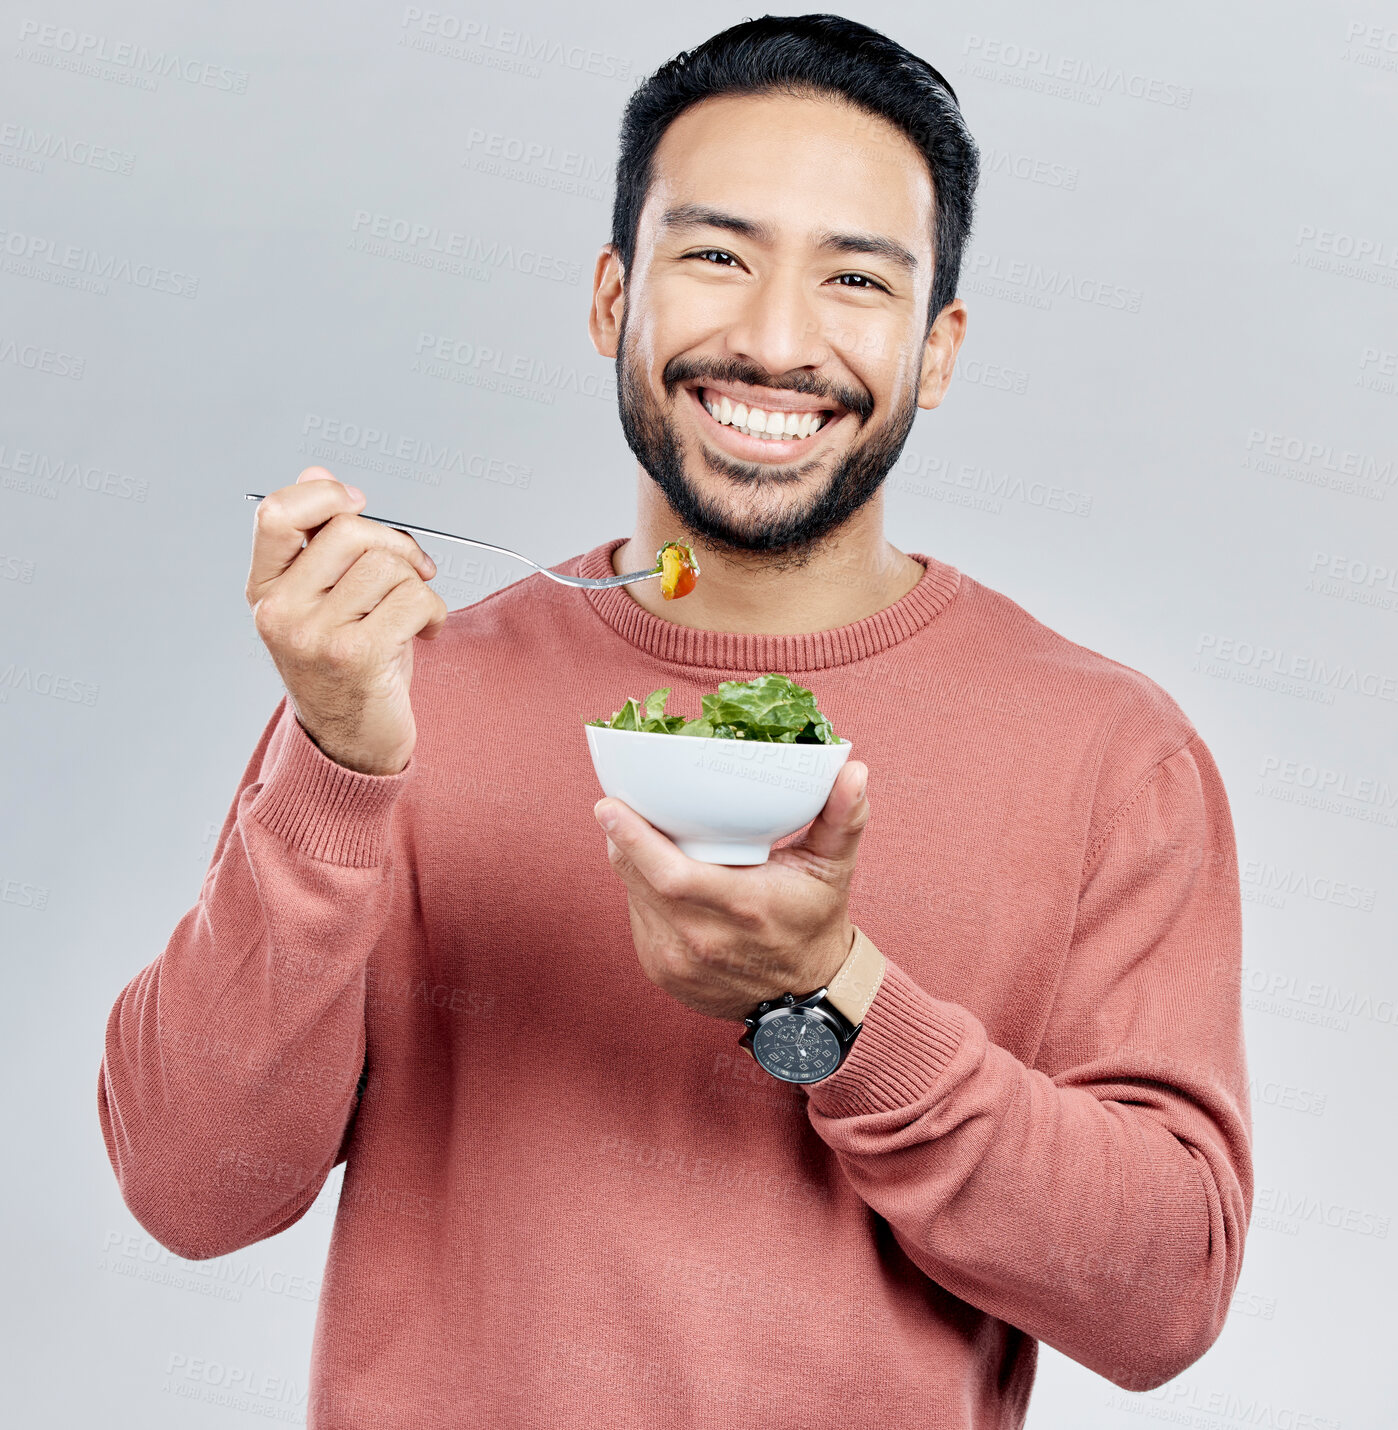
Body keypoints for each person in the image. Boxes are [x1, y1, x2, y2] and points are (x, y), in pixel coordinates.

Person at [98, 14, 1252, 1427]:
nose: (774, 341)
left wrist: (834, 996)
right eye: (714, 255)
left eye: (855, 279)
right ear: (609, 300)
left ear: (936, 348)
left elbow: (1163, 1296)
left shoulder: (1109, 755)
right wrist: (334, 764)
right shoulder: (405, 690)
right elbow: (189, 1186)